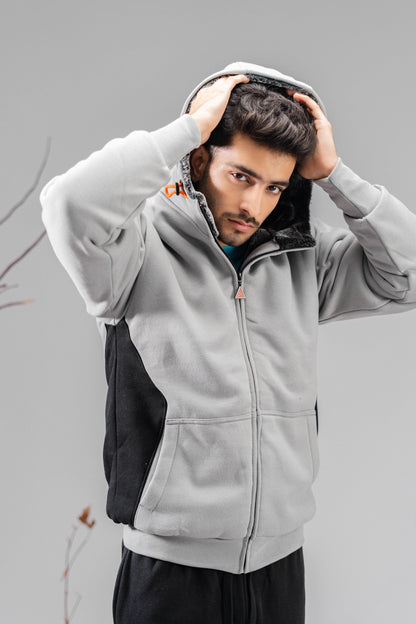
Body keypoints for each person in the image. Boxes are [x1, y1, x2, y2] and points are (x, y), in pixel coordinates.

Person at [40, 61, 416, 623]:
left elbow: (408, 275)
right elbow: (67, 204)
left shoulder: (303, 258)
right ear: (198, 160)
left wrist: (333, 173)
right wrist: (190, 126)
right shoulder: (134, 249)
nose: (255, 205)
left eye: (274, 187)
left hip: (280, 567)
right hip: (169, 573)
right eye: (241, 176)